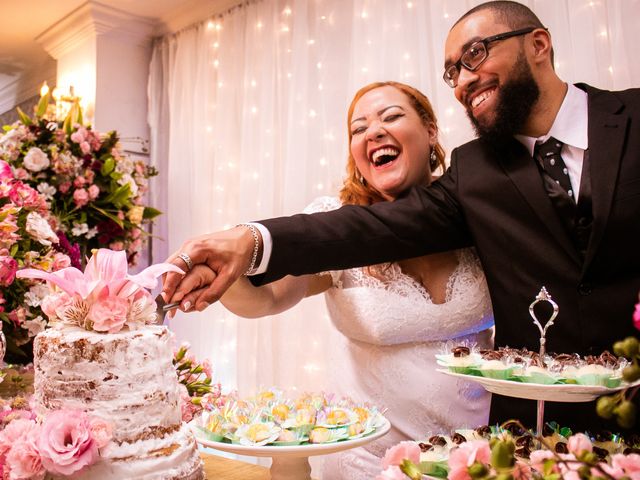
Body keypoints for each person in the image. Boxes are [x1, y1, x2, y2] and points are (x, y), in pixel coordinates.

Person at [163, 1, 640, 432]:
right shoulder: (478, 172)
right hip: (529, 432)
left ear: (538, 44)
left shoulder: (627, 118)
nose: (464, 80)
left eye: (474, 55)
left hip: (506, 422)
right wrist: (249, 242)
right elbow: (359, 231)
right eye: (453, 72)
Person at [173, 81, 494, 479]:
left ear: (431, 131)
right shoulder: (335, 226)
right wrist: (229, 273)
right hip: (369, 462)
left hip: (478, 457)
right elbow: (267, 300)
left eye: (391, 116)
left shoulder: (477, 213)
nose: (373, 131)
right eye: (358, 129)